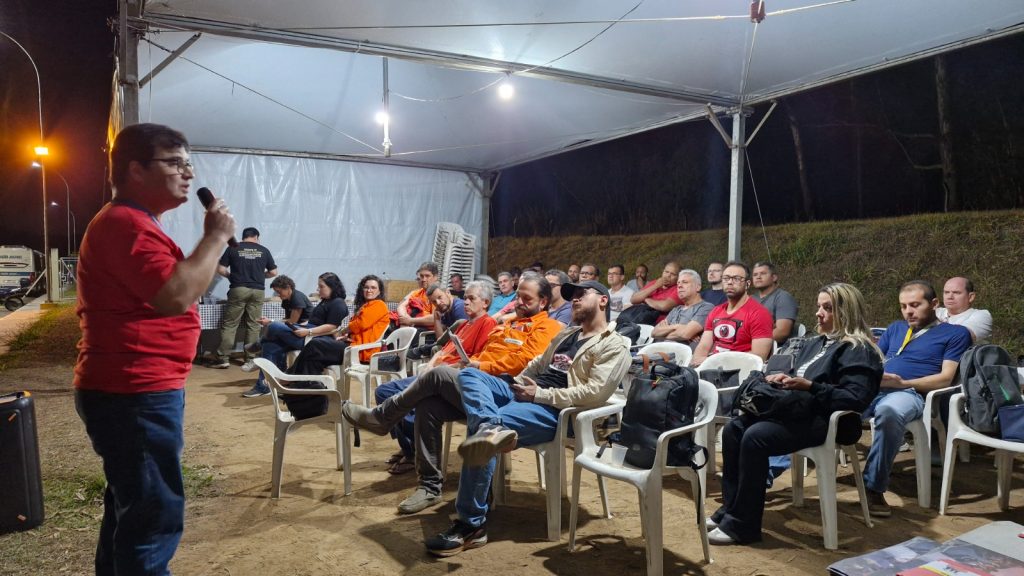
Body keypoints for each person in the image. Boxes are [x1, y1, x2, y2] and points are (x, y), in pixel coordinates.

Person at [344, 278, 631, 556]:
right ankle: (391, 426)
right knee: (461, 376)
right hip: (519, 389)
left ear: (603, 300)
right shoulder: (567, 334)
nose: (575, 299)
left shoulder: (613, 344)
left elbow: (595, 392)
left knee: (482, 426)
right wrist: (516, 384)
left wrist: (539, 394)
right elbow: (537, 364)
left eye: (582, 294)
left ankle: (471, 525)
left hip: (552, 408)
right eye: (573, 295)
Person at [74, 123, 236, 574]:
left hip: (135, 389)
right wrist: (216, 237)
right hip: (135, 391)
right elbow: (175, 295)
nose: (188, 173)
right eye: (175, 163)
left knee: (131, 512)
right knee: (150, 521)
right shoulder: (125, 224)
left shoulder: (135, 223)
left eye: (189, 164)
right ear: (135, 169)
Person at [343, 272, 562, 515]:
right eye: (518, 297)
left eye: (526, 299)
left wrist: (478, 366)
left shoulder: (549, 327)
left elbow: (523, 361)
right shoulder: (507, 324)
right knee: (428, 406)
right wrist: (472, 363)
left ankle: (382, 418)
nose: (519, 302)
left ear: (543, 301)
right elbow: (484, 351)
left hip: (505, 388)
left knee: (438, 374)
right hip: (476, 380)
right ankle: (429, 486)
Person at [707, 283, 883, 545]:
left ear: (846, 312)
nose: (818, 313)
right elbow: (798, 375)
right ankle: (732, 508)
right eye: (819, 306)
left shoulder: (859, 350)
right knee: (734, 429)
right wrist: (782, 378)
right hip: (797, 411)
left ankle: (744, 526)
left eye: (827, 308)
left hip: (826, 420)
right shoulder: (817, 342)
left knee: (756, 437)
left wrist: (811, 387)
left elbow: (856, 398)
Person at [862, 280, 972, 517]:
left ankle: (872, 487)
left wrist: (903, 384)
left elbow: (945, 378)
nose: (908, 312)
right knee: (825, 399)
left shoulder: (956, 334)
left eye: (914, 305)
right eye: (903, 306)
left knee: (889, 412)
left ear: (934, 304)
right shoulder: (896, 328)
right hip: (873, 388)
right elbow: (876, 361)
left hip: (909, 393)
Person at [374, 281, 496, 479]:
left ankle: (411, 449)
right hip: (434, 372)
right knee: (384, 392)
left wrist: (439, 370)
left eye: (471, 298)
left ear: (485, 303)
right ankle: (410, 446)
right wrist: (430, 367)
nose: (466, 302)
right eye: (465, 298)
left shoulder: (488, 324)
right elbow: (441, 350)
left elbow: (473, 362)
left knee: (398, 398)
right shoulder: (464, 324)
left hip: (449, 378)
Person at [243, 272, 348, 397]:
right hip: (307, 330)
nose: (317, 289)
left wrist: (308, 331)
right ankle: (265, 386)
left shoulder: (338, 303)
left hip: (315, 338)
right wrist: (302, 326)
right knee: (270, 345)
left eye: (321, 286)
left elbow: (332, 327)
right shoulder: (325, 301)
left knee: (273, 326)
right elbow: (312, 321)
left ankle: (259, 346)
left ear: (332, 286)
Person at [288, 274, 391, 385]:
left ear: (379, 291)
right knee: (314, 358)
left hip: (359, 351)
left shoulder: (379, 305)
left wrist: (344, 331)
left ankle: (289, 377)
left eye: (373, 288)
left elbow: (360, 325)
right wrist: (347, 336)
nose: (369, 290)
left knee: (315, 344)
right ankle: (308, 388)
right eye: (366, 287)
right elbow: (361, 330)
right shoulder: (367, 306)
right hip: (352, 346)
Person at [208, 227, 278, 370]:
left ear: (244, 236)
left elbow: (220, 269)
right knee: (254, 325)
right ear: (256, 237)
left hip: (238, 289)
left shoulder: (233, 248)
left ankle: (223, 359)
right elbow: (273, 272)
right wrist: (260, 276)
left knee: (230, 325)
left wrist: (230, 276)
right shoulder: (264, 250)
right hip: (258, 290)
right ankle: (250, 359)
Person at [690, 261, 773, 366]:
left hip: (740, 370)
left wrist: (714, 362)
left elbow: (758, 357)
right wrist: (698, 362)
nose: (730, 282)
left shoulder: (759, 314)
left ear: (747, 284)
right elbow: (703, 347)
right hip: (712, 367)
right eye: (726, 278)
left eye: (736, 279)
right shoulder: (716, 311)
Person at [241, 275, 313, 373]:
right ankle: (263, 359)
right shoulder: (286, 299)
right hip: (296, 329)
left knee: (273, 327)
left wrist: (271, 321)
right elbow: (287, 320)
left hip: (304, 332)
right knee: (272, 339)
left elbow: (292, 321)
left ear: (288, 287)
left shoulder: (297, 298)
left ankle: (258, 349)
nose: (278, 295)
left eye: (279, 291)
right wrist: (272, 321)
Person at [650, 269, 714, 349]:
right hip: (660, 350)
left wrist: (664, 332)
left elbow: (685, 334)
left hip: (682, 354)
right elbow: (654, 333)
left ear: (698, 287)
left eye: (685, 282)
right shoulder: (676, 309)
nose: (679, 286)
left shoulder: (706, 308)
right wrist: (677, 327)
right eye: (678, 283)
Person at [752, 261, 799, 346]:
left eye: (763, 273)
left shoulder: (783, 298)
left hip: (773, 349)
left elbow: (782, 332)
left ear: (774, 277)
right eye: (755, 275)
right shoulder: (750, 299)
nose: (758, 277)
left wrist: (751, 340)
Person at [935, 276, 992, 343]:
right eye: (946, 292)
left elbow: (960, 338)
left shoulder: (981, 316)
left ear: (971, 297)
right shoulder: (936, 312)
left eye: (956, 293)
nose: (950, 297)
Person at [397, 262, 438, 329]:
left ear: (435, 277)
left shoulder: (438, 295)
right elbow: (401, 306)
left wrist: (411, 321)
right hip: (410, 325)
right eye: (422, 276)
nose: (423, 279)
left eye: (427, 276)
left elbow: (435, 319)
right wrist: (405, 318)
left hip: (426, 330)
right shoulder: (417, 292)